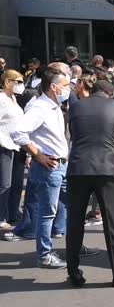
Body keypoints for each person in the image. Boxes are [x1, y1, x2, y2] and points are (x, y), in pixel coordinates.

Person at [66, 79, 114, 287]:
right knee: (112, 221)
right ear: (110, 93)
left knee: (75, 221)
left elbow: (75, 134)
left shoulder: (76, 106)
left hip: (79, 167)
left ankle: (74, 273)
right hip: (108, 168)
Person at [9, 68, 71, 268]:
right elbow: (18, 132)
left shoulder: (53, 106)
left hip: (60, 165)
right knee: (48, 212)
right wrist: (38, 155)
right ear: (53, 87)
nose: (68, 89)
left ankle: (72, 247)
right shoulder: (40, 108)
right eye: (65, 85)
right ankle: (44, 255)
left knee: (69, 207)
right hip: (49, 168)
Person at [0, 70, 26, 229]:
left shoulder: (14, 99)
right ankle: (1, 216)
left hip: (17, 146)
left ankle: (13, 213)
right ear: (8, 82)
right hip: (5, 146)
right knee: (5, 184)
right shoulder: (1, 99)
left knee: (16, 183)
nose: (20, 85)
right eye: (18, 81)